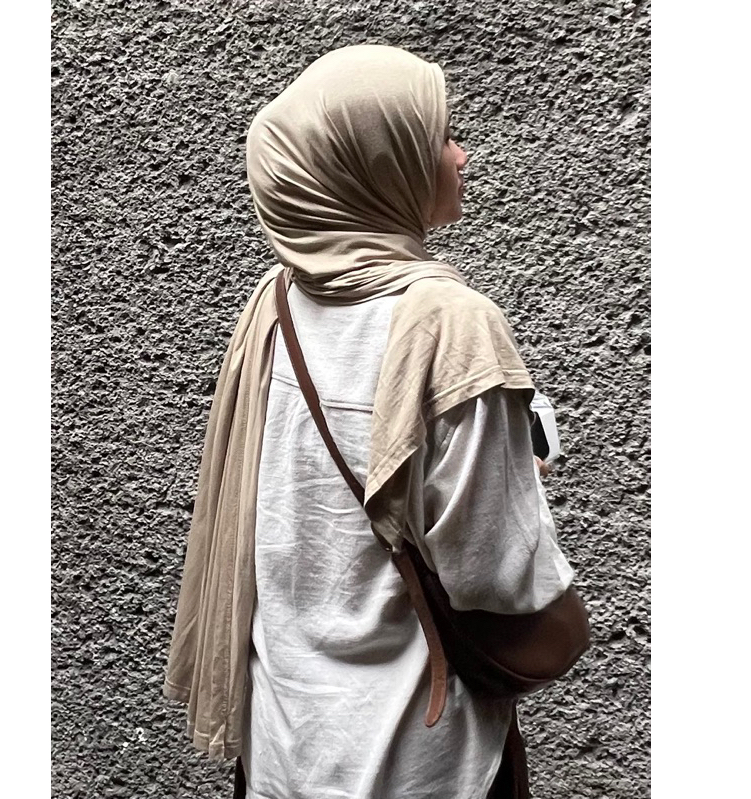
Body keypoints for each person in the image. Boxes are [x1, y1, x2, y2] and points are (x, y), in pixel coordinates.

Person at [164, 44, 574, 799]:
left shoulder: (276, 304)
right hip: (415, 754)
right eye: (441, 136)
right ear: (377, 163)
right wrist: (523, 471)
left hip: (285, 740)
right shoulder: (450, 323)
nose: (462, 155)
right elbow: (496, 577)